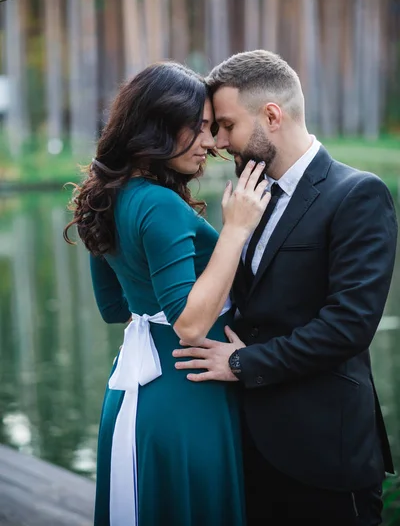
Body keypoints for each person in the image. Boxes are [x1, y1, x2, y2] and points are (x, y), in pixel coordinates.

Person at [173, 50, 398, 526]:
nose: (219, 142)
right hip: (252, 448)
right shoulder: (249, 196)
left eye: (228, 125)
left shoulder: (357, 195)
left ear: (271, 115)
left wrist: (240, 363)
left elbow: (348, 327)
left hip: (325, 455)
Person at [64, 61, 271, 526]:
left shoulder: (107, 196)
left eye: (212, 128)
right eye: (197, 129)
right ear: (157, 127)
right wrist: (236, 229)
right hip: (187, 393)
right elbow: (190, 324)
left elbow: (114, 307)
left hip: (136, 392)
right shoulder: (159, 205)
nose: (208, 143)